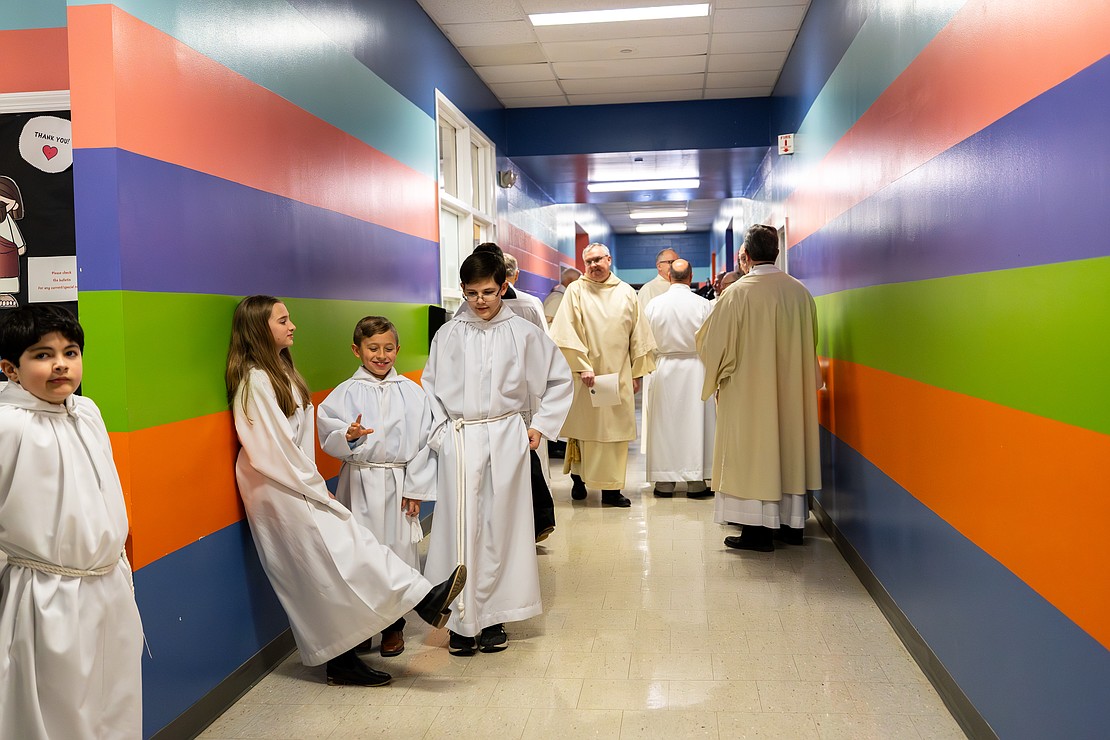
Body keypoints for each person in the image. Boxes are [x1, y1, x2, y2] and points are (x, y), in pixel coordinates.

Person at [226, 295, 466, 686]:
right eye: (283, 320)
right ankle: (421, 601)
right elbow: (274, 450)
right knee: (341, 556)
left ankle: (352, 649)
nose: (293, 326)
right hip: (281, 488)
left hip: (296, 483)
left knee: (334, 565)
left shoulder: (279, 374)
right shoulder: (255, 382)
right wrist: (318, 484)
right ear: (258, 328)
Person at [0, 305, 143, 739]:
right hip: (45, 595)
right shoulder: (9, 426)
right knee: (59, 712)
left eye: (71, 352)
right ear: (10, 369)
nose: (61, 364)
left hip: (107, 585)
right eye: (42, 355)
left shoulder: (88, 412)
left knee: (115, 703)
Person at [421, 251, 572, 655]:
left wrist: (540, 425)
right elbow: (430, 389)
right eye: (471, 293)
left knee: (501, 526)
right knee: (459, 527)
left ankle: (494, 618)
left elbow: (559, 380)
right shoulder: (449, 334)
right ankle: (458, 621)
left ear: (503, 287)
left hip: (507, 435)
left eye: (488, 291)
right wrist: (441, 435)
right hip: (461, 437)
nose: (480, 301)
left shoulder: (523, 333)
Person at [696, 225, 822, 552]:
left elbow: (713, 345)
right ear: (776, 252)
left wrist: (717, 377)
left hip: (748, 393)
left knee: (752, 455)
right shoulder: (800, 293)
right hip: (792, 393)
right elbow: (811, 345)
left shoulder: (736, 294)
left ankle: (756, 530)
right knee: (788, 451)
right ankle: (792, 525)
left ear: (746, 257)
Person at [316, 316, 436, 658]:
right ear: (357, 350)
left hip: (399, 484)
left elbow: (425, 444)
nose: (381, 355)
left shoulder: (414, 394)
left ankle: (392, 628)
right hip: (358, 482)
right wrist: (348, 437)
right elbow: (328, 435)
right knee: (359, 555)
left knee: (397, 553)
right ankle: (360, 626)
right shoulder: (344, 393)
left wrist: (416, 487)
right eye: (373, 348)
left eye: (388, 348)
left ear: (398, 349)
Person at [550, 243, 656, 507]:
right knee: (584, 431)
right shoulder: (576, 291)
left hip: (618, 374)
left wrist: (636, 373)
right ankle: (579, 479)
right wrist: (581, 365)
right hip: (586, 375)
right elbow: (565, 331)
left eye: (598, 259)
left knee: (615, 433)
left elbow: (639, 334)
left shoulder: (626, 293)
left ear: (609, 259)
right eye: (589, 262)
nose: (594, 265)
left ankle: (612, 491)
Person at [644, 259, 716, 499]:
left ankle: (664, 482)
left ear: (669, 277)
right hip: (696, 368)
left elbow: (645, 342)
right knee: (694, 424)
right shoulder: (704, 305)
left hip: (663, 368)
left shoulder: (654, 305)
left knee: (664, 425)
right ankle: (696, 482)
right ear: (690, 276)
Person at [637, 248, 679, 312]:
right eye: (670, 262)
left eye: (676, 262)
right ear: (659, 266)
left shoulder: (681, 287)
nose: (675, 265)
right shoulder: (648, 289)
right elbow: (644, 319)